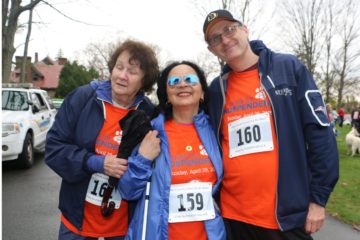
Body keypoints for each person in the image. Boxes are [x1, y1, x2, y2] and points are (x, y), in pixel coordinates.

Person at [202, 9, 339, 240]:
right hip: (233, 218)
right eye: (215, 38)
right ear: (211, 49)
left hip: (283, 217)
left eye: (229, 29)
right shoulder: (216, 90)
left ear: (244, 30)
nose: (225, 39)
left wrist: (318, 199)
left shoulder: (288, 68)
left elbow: (319, 134)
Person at [45, 39, 160, 240]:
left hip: (123, 230)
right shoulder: (84, 98)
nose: (122, 76)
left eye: (132, 72)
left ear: (144, 80)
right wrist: (97, 162)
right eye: (119, 67)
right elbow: (54, 149)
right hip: (76, 226)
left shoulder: (149, 114)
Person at [119, 61, 226, 239]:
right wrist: (143, 159)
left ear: (202, 92)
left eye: (190, 79)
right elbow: (128, 191)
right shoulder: (150, 132)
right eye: (174, 81)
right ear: (166, 95)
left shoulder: (217, 130)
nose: (182, 84)